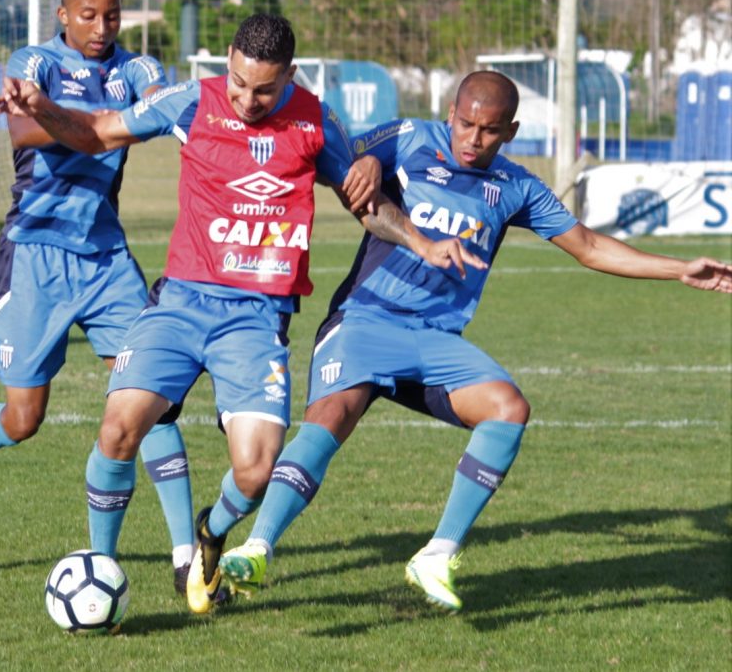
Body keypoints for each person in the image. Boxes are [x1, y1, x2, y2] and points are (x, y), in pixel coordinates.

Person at [0, 13, 478, 615]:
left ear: (290, 77)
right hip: (181, 303)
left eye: (264, 89)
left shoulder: (317, 121)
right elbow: (97, 131)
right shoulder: (193, 100)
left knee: (254, 472)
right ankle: (101, 565)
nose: (247, 99)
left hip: (256, 319)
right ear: (229, 62)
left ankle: (210, 535)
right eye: (239, 82)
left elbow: (365, 201)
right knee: (119, 428)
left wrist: (424, 243)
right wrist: (40, 108)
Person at [218, 70, 732, 612]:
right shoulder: (410, 137)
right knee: (331, 420)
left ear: (508, 131)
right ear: (451, 112)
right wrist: (366, 162)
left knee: (509, 408)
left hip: (435, 338)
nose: (472, 138)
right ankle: (257, 548)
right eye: (465, 123)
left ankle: (436, 555)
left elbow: (589, 247)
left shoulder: (516, 187)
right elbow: (339, 156)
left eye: (488, 130)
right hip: (365, 322)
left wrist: (679, 270)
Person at [0, 0, 198, 596]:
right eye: (89, 15)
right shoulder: (33, 62)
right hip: (35, 255)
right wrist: (90, 122)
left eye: (113, 15)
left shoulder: (137, 72)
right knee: (22, 418)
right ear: (63, 15)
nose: (102, 28)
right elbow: (23, 127)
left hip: (104, 259)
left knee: (152, 396)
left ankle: (185, 556)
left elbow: (164, 108)